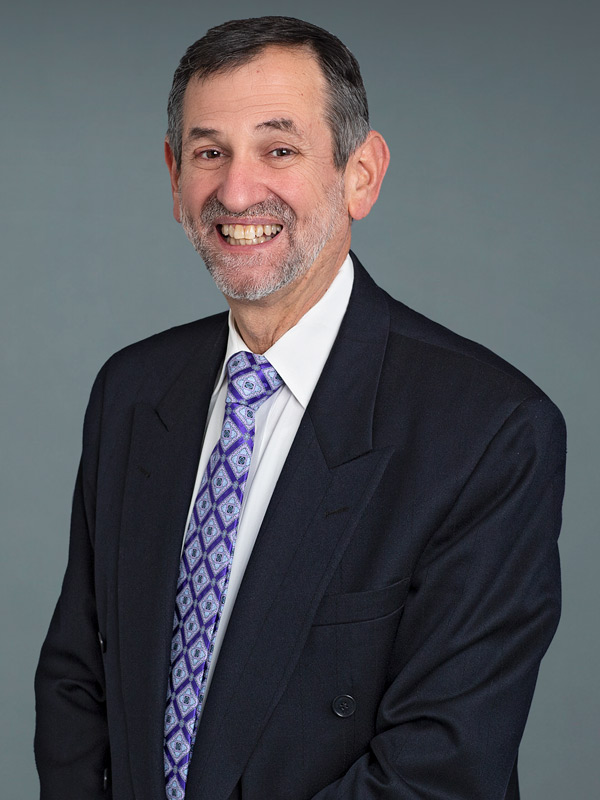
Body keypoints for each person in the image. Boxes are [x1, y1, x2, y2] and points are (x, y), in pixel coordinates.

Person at [34, 16, 566, 800]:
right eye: (210, 152)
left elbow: (439, 772)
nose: (236, 191)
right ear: (175, 179)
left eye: (279, 150)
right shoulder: (131, 391)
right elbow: (78, 684)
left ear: (361, 175)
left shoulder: (489, 431)